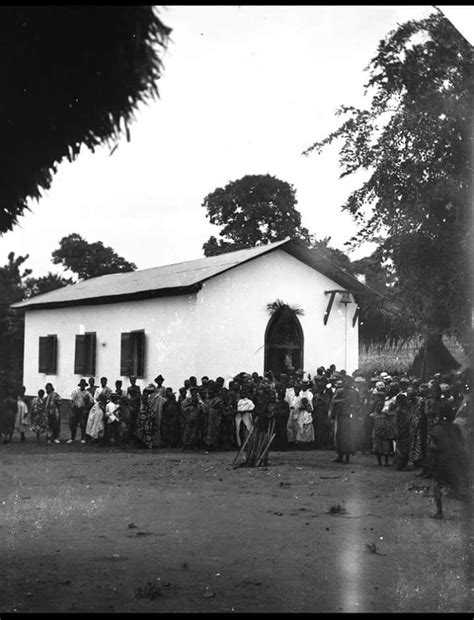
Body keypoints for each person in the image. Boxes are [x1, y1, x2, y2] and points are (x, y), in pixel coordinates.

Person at [328, 379, 357, 464]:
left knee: (348, 436)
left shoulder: (353, 392)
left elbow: (356, 404)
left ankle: (347, 457)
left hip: (348, 416)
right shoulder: (340, 391)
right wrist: (343, 401)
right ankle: (340, 455)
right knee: (338, 436)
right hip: (340, 415)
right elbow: (333, 401)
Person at [68, 378, 94, 444]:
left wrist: (86, 408)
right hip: (76, 409)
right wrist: (72, 407)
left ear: (85, 386)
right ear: (80, 385)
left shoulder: (87, 393)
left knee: (83, 424)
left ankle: (83, 438)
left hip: (83, 409)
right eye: (81, 385)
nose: (82, 386)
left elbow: (91, 402)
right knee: (73, 424)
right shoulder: (76, 392)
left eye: (83, 385)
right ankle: (72, 438)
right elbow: (71, 400)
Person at [181, 386, 205, 450]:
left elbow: (203, 407)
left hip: (196, 417)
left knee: (195, 432)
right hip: (189, 417)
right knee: (187, 432)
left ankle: (193, 445)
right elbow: (183, 407)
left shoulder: (199, 399)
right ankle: (185, 444)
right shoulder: (187, 399)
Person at [135, 384, 157, 449]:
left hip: (145, 416)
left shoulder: (147, 399)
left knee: (147, 431)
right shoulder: (144, 399)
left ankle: (147, 444)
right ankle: (145, 444)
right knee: (144, 431)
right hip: (144, 416)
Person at [393, 393, 411, 470]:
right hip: (401, 430)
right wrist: (397, 431)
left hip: (406, 430)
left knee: (405, 448)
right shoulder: (399, 410)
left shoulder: (405, 409)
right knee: (401, 449)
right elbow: (396, 422)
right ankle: (400, 465)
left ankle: (403, 464)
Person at [126, 376, 141, 444]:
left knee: (136, 423)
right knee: (130, 423)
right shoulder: (129, 388)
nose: (132, 381)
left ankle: (136, 438)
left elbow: (139, 396)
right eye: (131, 380)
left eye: (133, 380)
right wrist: (129, 403)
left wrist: (133, 400)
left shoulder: (137, 387)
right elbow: (127, 396)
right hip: (131, 406)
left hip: (136, 406)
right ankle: (130, 438)